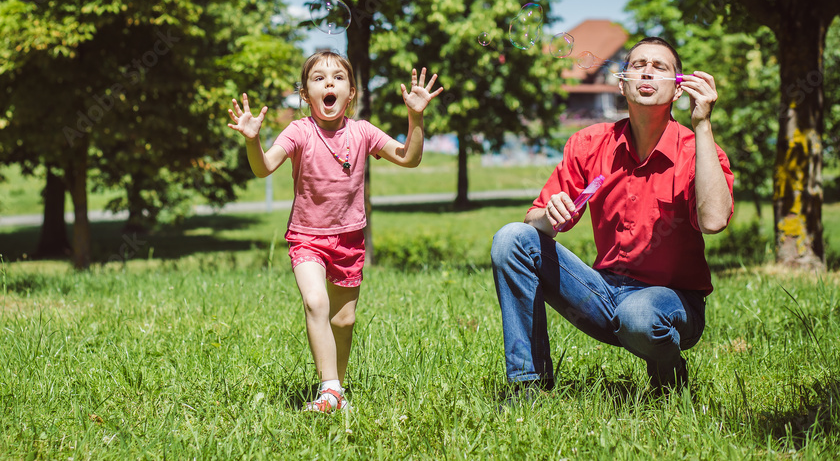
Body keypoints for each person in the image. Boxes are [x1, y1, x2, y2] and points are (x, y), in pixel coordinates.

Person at [490, 36, 734, 401]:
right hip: (602, 295)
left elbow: (714, 221)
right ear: (622, 83)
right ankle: (529, 386)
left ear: (678, 88)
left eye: (660, 66)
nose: (648, 70)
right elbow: (533, 225)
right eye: (638, 65)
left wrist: (702, 124)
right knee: (511, 238)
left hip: (674, 304)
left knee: (638, 314)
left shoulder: (698, 150)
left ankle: (671, 380)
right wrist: (548, 216)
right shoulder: (589, 144)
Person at [228, 50, 443, 412]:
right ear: (304, 94)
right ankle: (329, 390)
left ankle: (336, 388)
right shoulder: (299, 130)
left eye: (338, 77)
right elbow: (264, 168)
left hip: (349, 239)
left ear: (352, 92)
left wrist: (415, 117)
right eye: (318, 78)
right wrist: (252, 140)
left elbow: (409, 157)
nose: (329, 83)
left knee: (344, 321)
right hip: (306, 237)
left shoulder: (362, 132)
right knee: (316, 303)